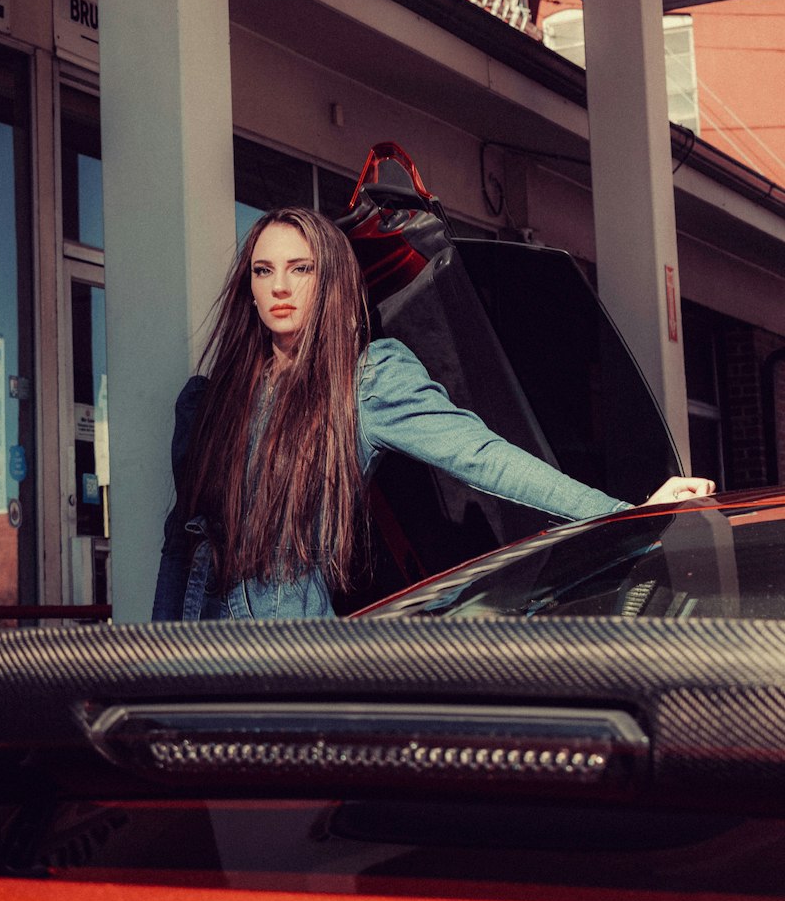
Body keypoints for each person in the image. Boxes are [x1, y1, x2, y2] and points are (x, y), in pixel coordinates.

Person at [152, 206, 714, 621]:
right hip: (197, 635)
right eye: (262, 271)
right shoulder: (207, 401)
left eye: (300, 269)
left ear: (330, 283)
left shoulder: (365, 379)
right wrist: (156, 667)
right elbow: (181, 545)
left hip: (289, 638)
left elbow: (481, 456)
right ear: (247, 288)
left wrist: (626, 516)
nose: (279, 287)